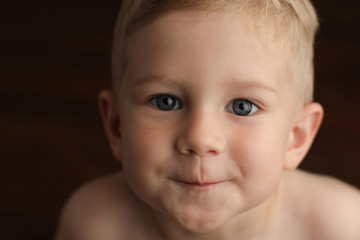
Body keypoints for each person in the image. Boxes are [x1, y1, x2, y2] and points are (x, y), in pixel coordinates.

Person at [54, 0, 360, 239]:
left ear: (296, 136)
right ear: (116, 125)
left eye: (242, 106)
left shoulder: (342, 226)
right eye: (166, 101)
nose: (200, 138)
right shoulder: (92, 225)